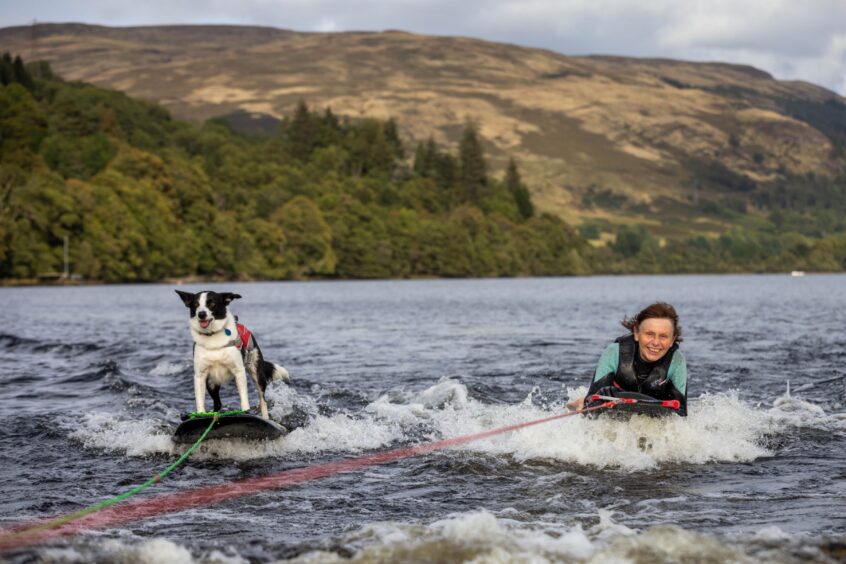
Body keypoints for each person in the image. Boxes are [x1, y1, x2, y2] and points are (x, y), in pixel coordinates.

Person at [569, 302, 688, 416]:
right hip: (615, 404)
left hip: (656, 406)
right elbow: (590, 408)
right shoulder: (614, 352)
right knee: (583, 405)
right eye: (649, 334)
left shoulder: (677, 361)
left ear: (672, 340)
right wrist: (601, 394)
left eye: (663, 336)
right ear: (636, 333)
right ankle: (577, 402)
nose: (656, 342)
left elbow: (681, 414)